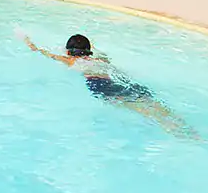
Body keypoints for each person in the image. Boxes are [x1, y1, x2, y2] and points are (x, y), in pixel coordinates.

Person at [22, 32, 197, 139]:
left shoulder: (72, 62)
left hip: (106, 89)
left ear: (69, 52)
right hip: (128, 84)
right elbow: (99, 53)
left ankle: (183, 137)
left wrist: (30, 44)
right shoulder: (100, 59)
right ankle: (189, 131)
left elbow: (45, 53)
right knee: (160, 109)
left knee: (152, 116)